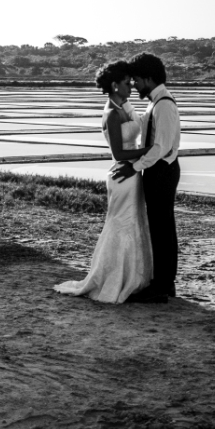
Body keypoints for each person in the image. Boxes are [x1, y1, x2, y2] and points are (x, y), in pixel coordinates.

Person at [53, 61, 153, 303]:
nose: (131, 86)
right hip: (122, 173)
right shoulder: (110, 114)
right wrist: (151, 150)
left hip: (131, 174)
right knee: (121, 224)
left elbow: (136, 118)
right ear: (114, 85)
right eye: (127, 83)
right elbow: (119, 153)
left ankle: (133, 278)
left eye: (131, 82)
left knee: (133, 222)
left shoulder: (123, 108)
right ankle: (115, 279)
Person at [112, 52, 181, 303]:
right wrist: (120, 97)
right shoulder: (155, 102)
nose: (135, 85)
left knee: (162, 228)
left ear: (149, 78)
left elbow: (160, 147)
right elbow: (141, 124)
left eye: (137, 80)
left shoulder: (164, 105)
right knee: (159, 226)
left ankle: (163, 284)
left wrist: (136, 166)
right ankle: (163, 282)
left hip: (162, 169)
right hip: (157, 169)